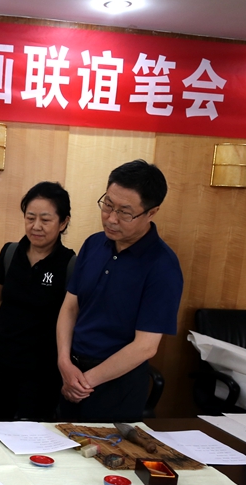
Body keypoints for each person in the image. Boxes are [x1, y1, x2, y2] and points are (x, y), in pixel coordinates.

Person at [57, 159, 183, 422]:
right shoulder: (93, 244)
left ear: (152, 212)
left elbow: (145, 347)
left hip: (116, 386)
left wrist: (84, 383)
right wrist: (64, 362)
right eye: (108, 205)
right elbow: (70, 307)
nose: (111, 219)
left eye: (125, 213)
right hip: (71, 373)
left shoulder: (163, 266)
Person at [0, 182, 75, 421]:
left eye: (45, 220)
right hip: (1, 362)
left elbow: (70, 316)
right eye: (30, 218)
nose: (36, 226)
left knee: (33, 432)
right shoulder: (9, 253)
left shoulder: (69, 264)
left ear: (63, 222)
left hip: (42, 370)